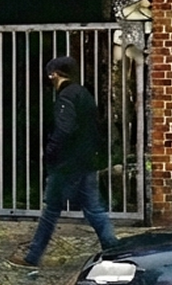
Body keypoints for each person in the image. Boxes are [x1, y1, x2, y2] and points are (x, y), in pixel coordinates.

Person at [9, 56, 119, 268]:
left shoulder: (66, 96)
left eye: (50, 74)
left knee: (51, 210)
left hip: (67, 163)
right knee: (94, 209)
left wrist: (50, 153)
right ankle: (113, 250)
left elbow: (64, 130)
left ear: (55, 74)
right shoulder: (84, 94)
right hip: (86, 161)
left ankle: (32, 257)